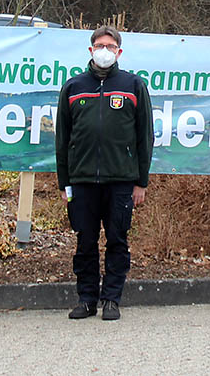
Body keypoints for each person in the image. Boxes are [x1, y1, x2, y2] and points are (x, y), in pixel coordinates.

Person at [55, 26, 153, 321]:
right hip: (82, 182)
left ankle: (112, 299)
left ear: (119, 52)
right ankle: (87, 299)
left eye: (110, 46)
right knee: (85, 242)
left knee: (117, 240)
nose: (105, 50)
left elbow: (144, 137)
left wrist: (141, 182)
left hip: (121, 182)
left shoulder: (133, 85)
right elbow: (62, 139)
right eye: (100, 45)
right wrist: (64, 183)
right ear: (90, 50)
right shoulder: (73, 87)